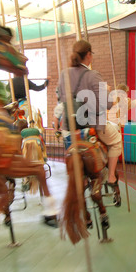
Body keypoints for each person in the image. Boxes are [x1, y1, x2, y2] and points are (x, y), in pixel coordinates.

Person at [57, 40, 122, 187]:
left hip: (70, 126)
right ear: (88, 55)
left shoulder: (63, 74)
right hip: (91, 124)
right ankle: (111, 176)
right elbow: (105, 103)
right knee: (116, 140)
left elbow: (60, 98)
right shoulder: (93, 75)